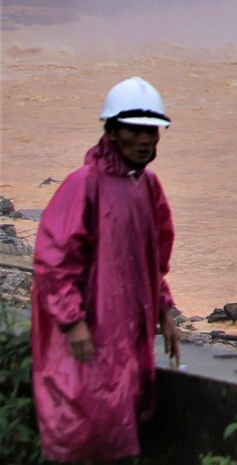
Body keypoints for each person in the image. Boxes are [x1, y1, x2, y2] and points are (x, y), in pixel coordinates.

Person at [31, 77, 180, 463]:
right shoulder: (84, 185)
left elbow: (155, 260)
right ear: (111, 132)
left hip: (128, 331)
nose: (145, 140)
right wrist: (72, 321)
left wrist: (165, 309)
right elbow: (53, 260)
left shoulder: (148, 186)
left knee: (119, 420)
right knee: (83, 428)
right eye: (134, 130)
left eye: (152, 131)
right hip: (89, 331)